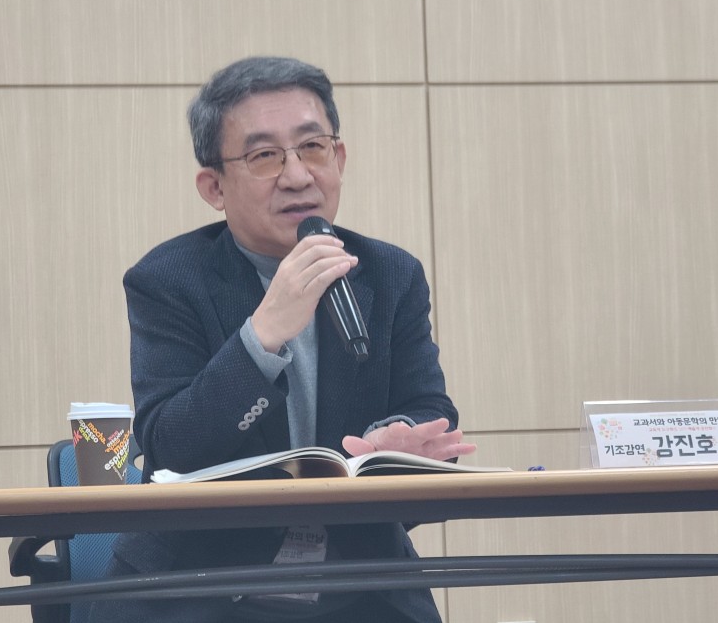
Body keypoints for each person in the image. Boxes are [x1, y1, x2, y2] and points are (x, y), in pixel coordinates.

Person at [90, 56, 475, 623]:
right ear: (214, 187)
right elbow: (169, 446)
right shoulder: (168, 280)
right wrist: (262, 335)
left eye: (313, 147)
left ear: (339, 158)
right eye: (265, 156)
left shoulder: (390, 274)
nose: (297, 176)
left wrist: (389, 441)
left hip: (358, 588)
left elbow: (428, 407)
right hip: (201, 590)